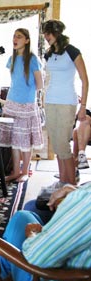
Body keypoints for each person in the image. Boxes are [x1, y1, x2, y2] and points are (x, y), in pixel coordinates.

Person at [0, 183, 91, 281]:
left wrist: (32, 235)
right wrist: (75, 194)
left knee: (20, 218)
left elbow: (36, 257)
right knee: (31, 208)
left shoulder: (87, 199)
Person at [42, 19, 89, 187]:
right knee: (56, 144)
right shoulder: (48, 54)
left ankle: (71, 185)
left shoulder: (72, 51)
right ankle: (63, 181)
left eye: (48, 33)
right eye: (45, 33)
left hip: (66, 102)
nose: (46, 36)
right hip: (50, 101)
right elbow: (48, 79)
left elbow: (85, 80)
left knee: (63, 145)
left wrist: (83, 106)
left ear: (56, 33)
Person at [0, 28, 44, 183]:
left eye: (19, 37)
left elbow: (40, 84)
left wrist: (28, 94)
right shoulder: (12, 58)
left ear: (27, 40)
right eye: (14, 36)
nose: (15, 39)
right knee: (14, 139)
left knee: (24, 140)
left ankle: (25, 171)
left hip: (26, 105)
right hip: (11, 102)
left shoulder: (32, 59)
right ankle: (16, 171)